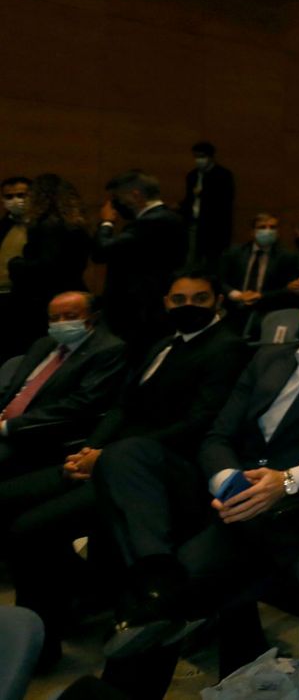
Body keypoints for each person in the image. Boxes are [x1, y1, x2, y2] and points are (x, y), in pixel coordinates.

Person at [92, 278, 299, 693]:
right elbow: (217, 435)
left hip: (288, 508)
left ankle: (157, 601)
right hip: (230, 487)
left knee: (162, 604)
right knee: (125, 455)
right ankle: (157, 574)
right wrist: (227, 478)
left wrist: (287, 482)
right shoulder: (268, 360)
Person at [0, 270, 245, 665]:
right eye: (179, 300)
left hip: (152, 470)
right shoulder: (163, 344)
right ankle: (73, 604)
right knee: (10, 499)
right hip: (107, 454)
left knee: (29, 529)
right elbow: (122, 406)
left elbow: (199, 423)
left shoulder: (226, 348)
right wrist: (92, 448)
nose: (188, 308)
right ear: (166, 302)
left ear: (217, 301)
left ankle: (35, 649)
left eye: (200, 299)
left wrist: (107, 455)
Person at [0, 291, 126, 480]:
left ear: (94, 316)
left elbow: (82, 403)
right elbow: (14, 388)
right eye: (54, 318)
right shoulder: (44, 344)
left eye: (71, 317)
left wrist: (7, 426)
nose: (61, 323)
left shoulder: (108, 349)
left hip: (34, 433)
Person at [92, 171, 186, 349]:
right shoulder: (169, 218)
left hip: (140, 310)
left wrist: (106, 223)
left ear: (135, 195)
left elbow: (102, 251)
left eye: (118, 198)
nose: (116, 205)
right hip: (149, 306)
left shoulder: (152, 222)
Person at [5, 174, 91, 359]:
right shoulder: (75, 224)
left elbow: (46, 267)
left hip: (40, 301)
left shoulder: (46, 225)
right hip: (72, 292)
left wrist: (15, 264)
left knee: (33, 353)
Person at [218, 213, 299, 336]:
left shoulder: (287, 257)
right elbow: (220, 281)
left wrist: (260, 296)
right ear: (252, 232)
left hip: (266, 311)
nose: (267, 231)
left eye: (272, 227)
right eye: (262, 227)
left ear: (278, 232)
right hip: (233, 309)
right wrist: (238, 295)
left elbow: (289, 290)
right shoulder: (234, 253)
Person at [181, 142, 235, 269]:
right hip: (194, 224)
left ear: (211, 157)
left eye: (202, 156)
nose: (199, 160)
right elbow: (189, 199)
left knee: (213, 263)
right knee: (192, 262)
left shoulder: (224, 175)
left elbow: (225, 202)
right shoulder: (192, 175)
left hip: (214, 226)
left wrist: (203, 193)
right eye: (196, 157)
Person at [0, 176, 31, 356]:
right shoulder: (2, 227)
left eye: (21, 195)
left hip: (28, 299)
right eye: (9, 197)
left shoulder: (41, 226)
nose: (15, 201)